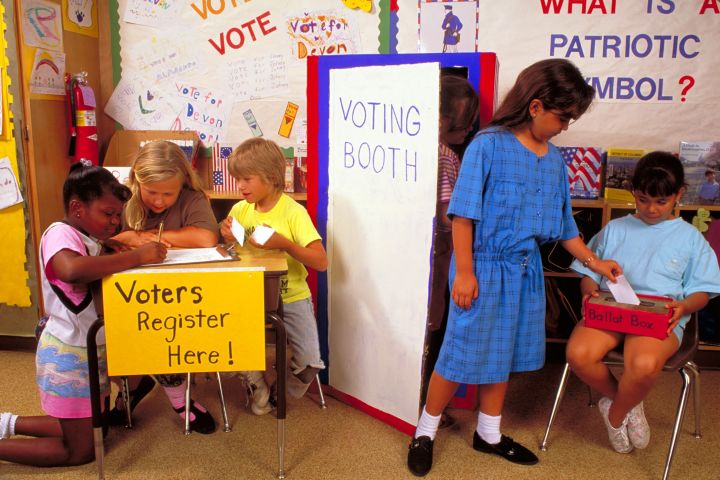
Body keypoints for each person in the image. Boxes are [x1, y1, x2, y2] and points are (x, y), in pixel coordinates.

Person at [407, 58, 622, 476]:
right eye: (564, 116)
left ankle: (488, 433)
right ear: (537, 106)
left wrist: (597, 263)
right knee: (458, 353)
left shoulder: (555, 159)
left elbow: (564, 227)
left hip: (524, 272)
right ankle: (425, 430)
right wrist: (465, 272)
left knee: (501, 353)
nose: (566, 125)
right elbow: (464, 216)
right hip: (482, 268)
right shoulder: (488, 145)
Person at [0, 164, 166, 466]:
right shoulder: (59, 233)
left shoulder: (88, 238)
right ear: (77, 208)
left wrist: (111, 247)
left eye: (118, 215)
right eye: (108, 214)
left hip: (88, 352)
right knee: (81, 451)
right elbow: (71, 270)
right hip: (67, 354)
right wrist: (137, 256)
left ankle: (7, 425)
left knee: (95, 429)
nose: (115, 222)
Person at [566, 151, 720, 453]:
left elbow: (703, 290)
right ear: (634, 194)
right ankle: (627, 401)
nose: (651, 209)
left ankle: (616, 413)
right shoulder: (616, 228)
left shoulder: (690, 237)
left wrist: (685, 307)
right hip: (611, 309)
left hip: (660, 316)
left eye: (661, 202)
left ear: (679, 194)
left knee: (644, 364)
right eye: (642, 199)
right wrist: (588, 290)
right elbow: (588, 271)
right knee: (578, 353)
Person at [110, 140, 220, 434]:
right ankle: (135, 385)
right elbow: (102, 239)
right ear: (136, 179)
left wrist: (144, 237)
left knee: (161, 331)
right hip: (126, 293)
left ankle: (163, 395)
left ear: (182, 183)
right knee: (119, 334)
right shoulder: (120, 197)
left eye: (167, 194)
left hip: (178, 296)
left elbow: (207, 238)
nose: (159, 201)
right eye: (151, 192)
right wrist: (129, 238)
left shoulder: (192, 198)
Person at [220, 137, 328, 415]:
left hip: (291, 294)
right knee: (226, 343)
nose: (240, 186)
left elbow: (321, 261)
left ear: (270, 177)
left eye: (246, 179)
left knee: (310, 364)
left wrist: (286, 244)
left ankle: (280, 389)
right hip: (248, 294)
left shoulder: (293, 212)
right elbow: (230, 253)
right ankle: (257, 383)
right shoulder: (240, 210)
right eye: (237, 179)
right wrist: (228, 240)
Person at [422, 74, 479, 429]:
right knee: (432, 324)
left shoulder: (414, 148)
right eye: (465, 123)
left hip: (411, 251)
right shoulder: (445, 156)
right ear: (444, 120)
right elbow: (447, 214)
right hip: (437, 251)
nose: (468, 131)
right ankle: (426, 404)